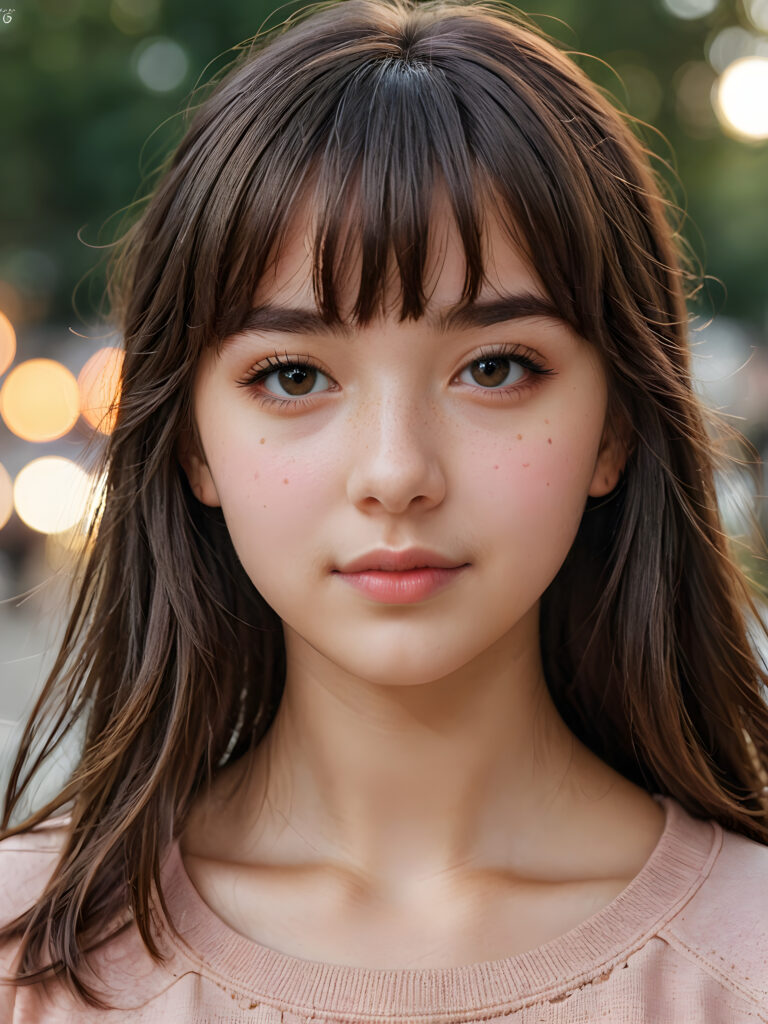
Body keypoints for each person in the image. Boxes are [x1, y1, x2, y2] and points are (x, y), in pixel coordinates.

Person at [2, 0, 768, 1019]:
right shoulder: (34, 958)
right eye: (292, 375)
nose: (396, 470)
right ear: (191, 441)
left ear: (616, 426)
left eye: (496, 366)